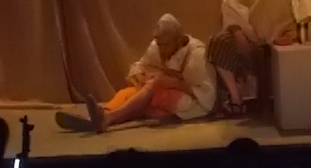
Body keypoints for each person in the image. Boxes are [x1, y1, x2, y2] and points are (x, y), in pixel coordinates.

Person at [55, 13, 216, 133]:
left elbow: (208, 98)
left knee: (153, 87)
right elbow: (140, 66)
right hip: (163, 97)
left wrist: (175, 83)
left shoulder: (196, 54)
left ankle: (108, 119)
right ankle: (99, 116)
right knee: (127, 93)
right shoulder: (157, 47)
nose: (161, 50)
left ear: (178, 40)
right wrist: (139, 76)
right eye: (159, 45)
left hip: (193, 104)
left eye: (165, 45)